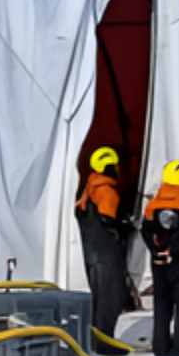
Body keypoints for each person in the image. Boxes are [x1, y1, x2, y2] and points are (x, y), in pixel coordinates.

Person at [142, 160, 179, 356]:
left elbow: (145, 231)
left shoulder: (153, 203)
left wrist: (156, 251)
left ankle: (161, 346)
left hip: (158, 263)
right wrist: (174, 252)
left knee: (161, 305)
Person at [75, 146, 131, 343]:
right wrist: (126, 225)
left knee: (98, 300)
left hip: (92, 253)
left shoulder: (90, 187)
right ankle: (104, 342)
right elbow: (108, 220)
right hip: (106, 253)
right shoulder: (107, 191)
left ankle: (96, 340)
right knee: (110, 299)